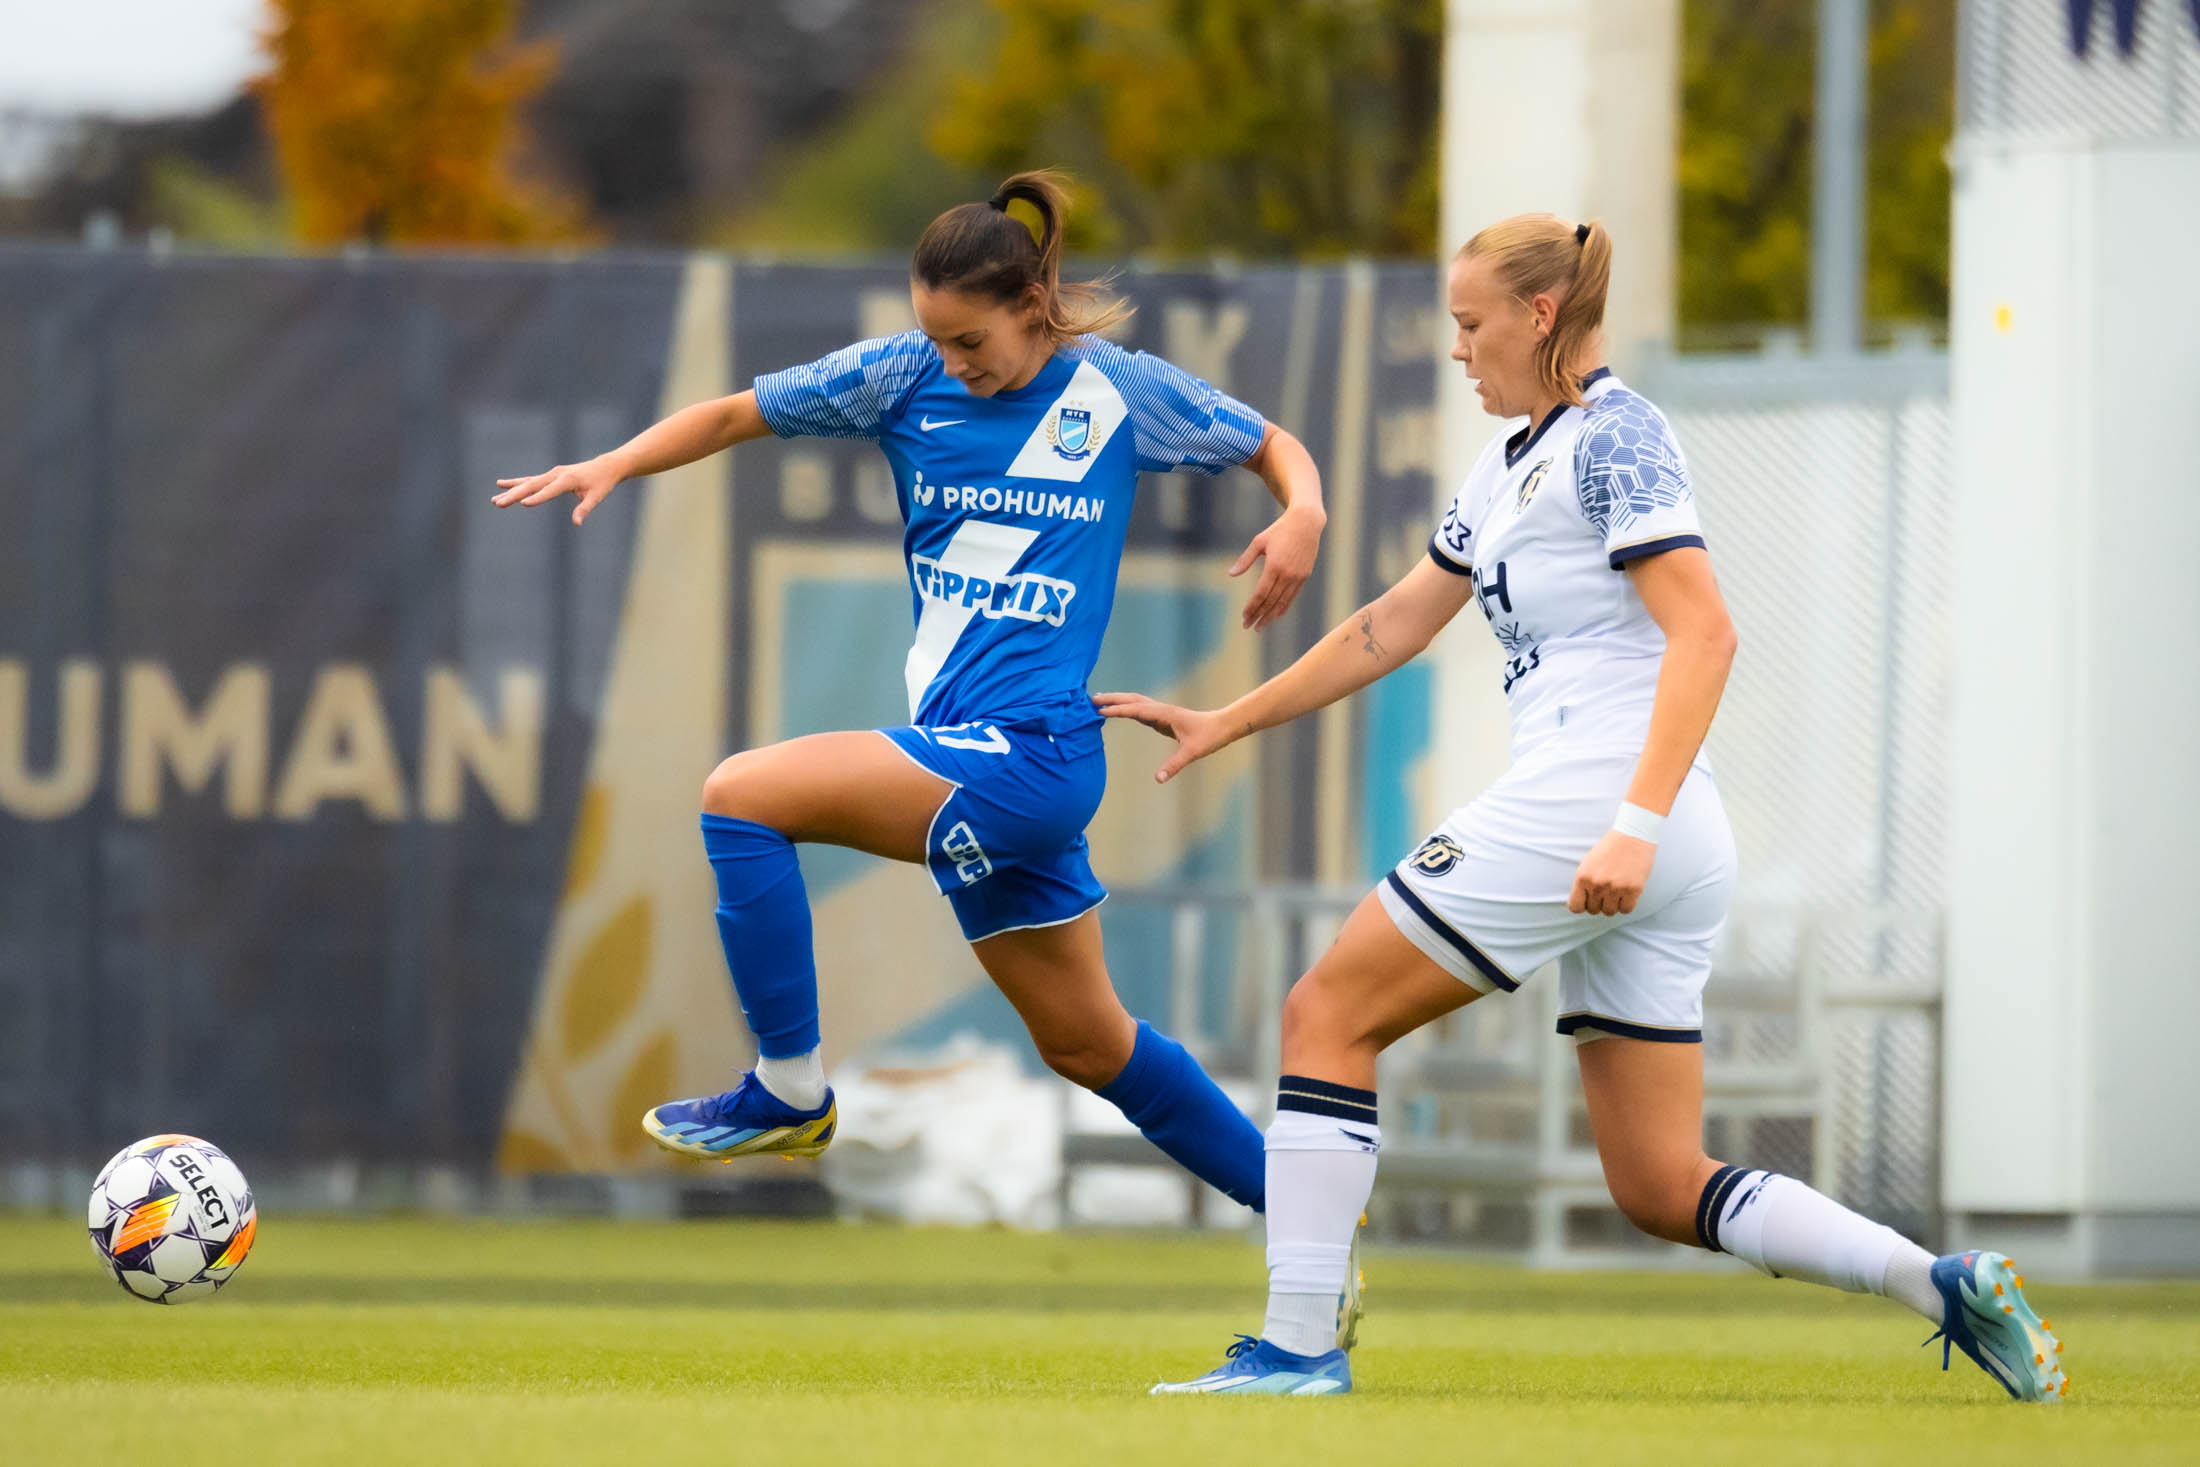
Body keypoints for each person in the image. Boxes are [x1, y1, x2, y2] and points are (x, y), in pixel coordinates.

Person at [1104, 214, 2065, 1402]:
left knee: (1324, 1013)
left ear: (1540, 315)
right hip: (1633, 823)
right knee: (1659, 1184)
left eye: (1469, 324)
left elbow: (1705, 632)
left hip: (1606, 807)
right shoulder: (1511, 459)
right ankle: (1941, 1283)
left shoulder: (1617, 437)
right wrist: (1223, 722)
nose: (1457, 350)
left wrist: (1633, 824)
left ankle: (1298, 1349)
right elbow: (1388, 627)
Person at [491, 170, 1330, 1236]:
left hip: (1029, 756)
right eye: (934, 339)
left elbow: (1270, 443)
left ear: (1031, 310)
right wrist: (613, 462)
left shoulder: (1111, 388)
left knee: (743, 796)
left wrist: (1302, 511)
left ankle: (789, 1090)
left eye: (968, 341)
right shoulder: (900, 378)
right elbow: (733, 413)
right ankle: (1313, 1223)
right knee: (1088, 1046)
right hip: (979, 759)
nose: (950, 361)